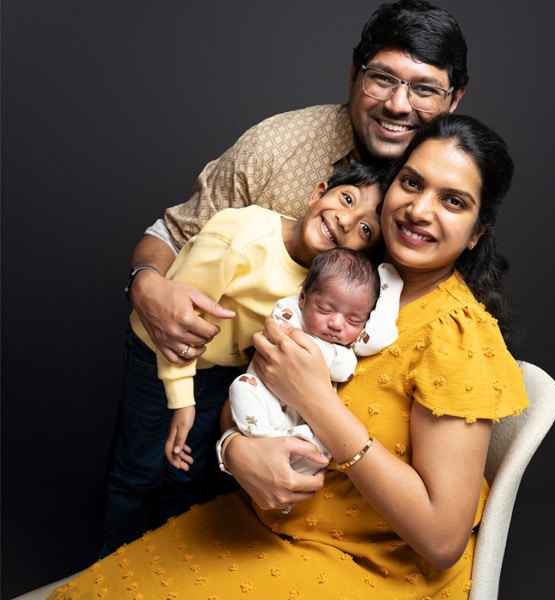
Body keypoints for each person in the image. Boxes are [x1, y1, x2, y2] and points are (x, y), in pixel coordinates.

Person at [51, 114, 529, 599]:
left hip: (368, 565)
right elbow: (254, 384)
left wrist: (319, 403)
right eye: (411, 182)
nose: (420, 210)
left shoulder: (456, 334)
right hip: (262, 524)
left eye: (452, 201)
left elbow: (442, 539)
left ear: (475, 232)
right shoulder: (347, 279)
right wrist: (235, 451)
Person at [102, 0, 469, 554]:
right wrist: (145, 284)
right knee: (155, 475)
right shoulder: (279, 146)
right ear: (354, 74)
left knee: (196, 502)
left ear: (453, 99)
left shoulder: (446, 192)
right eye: (383, 78)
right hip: (211, 362)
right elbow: (173, 233)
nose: (398, 104)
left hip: (336, 435)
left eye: (424, 88)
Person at [102, 161, 392, 556]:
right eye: (346, 199)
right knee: (139, 470)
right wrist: (182, 401)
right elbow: (173, 327)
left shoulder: (321, 284)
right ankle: (112, 562)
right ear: (316, 192)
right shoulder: (242, 237)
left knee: (184, 472)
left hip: (219, 370)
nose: (346, 221)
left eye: (364, 229)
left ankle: (154, 561)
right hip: (161, 359)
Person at [227, 248, 403, 476]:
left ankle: (290, 454)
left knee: (322, 444)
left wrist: (389, 287)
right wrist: (340, 354)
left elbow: (376, 339)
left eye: (353, 319)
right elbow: (339, 367)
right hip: (265, 409)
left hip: (306, 428)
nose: (337, 324)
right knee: (240, 386)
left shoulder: (349, 342)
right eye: (325, 309)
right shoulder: (288, 314)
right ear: (303, 298)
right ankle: (268, 443)